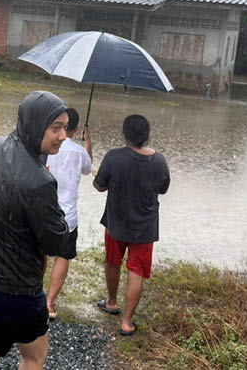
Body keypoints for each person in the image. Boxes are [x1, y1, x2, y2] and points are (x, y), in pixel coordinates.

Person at [0, 90, 75, 370]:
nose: (63, 136)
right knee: (34, 355)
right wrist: (58, 213)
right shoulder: (40, 181)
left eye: (65, 127)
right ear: (34, 124)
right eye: (55, 127)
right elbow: (56, 242)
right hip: (15, 293)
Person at [93, 114, 169, 336]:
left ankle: (112, 302)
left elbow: (99, 186)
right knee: (136, 270)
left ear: (124, 133)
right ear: (146, 135)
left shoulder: (113, 157)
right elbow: (163, 189)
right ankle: (126, 323)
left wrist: (98, 175)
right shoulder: (159, 161)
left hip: (116, 222)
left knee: (112, 261)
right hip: (144, 228)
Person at [45, 107, 93, 319]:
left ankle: (34, 295)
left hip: (45, 210)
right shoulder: (79, 151)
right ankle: (49, 302)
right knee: (63, 256)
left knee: (41, 252)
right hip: (68, 215)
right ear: (75, 128)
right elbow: (88, 167)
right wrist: (87, 142)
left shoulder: (46, 145)